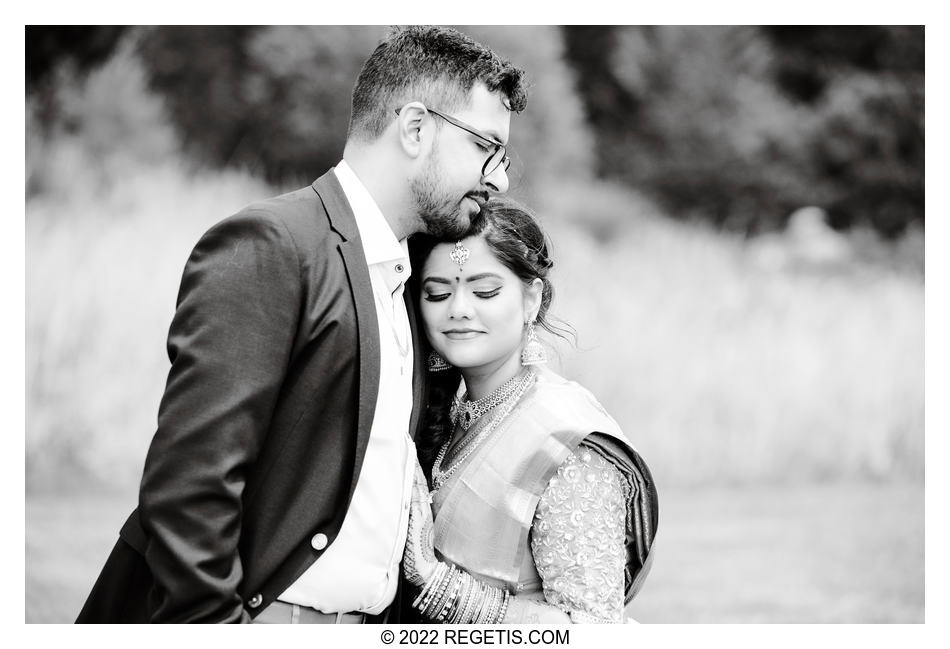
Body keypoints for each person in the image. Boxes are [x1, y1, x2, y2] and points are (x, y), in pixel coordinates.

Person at [75, 26, 527, 624]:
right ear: (416, 129)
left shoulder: (412, 275)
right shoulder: (274, 245)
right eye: (485, 147)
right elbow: (191, 481)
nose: (497, 177)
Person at [402, 198, 658, 623]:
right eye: (438, 293)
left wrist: (437, 583)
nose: (458, 309)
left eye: (485, 291)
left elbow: (590, 631)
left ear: (531, 299)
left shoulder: (566, 440)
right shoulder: (444, 417)